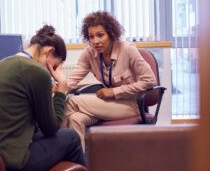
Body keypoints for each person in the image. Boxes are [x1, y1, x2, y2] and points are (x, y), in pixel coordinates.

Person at [0, 25, 86, 171]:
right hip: (11, 163)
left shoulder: (2, 64)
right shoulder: (37, 71)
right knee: (71, 137)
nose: (52, 72)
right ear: (49, 52)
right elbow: (51, 128)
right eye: (54, 66)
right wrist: (61, 90)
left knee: (44, 132)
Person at [64, 11, 157, 150]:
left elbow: (150, 80)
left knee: (71, 102)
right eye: (91, 37)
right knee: (75, 119)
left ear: (111, 34)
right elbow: (73, 79)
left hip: (130, 105)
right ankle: (80, 165)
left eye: (100, 35)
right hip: (107, 105)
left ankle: (56, 152)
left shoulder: (127, 50)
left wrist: (115, 91)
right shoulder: (89, 54)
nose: (95, 41)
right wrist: (58, 87)